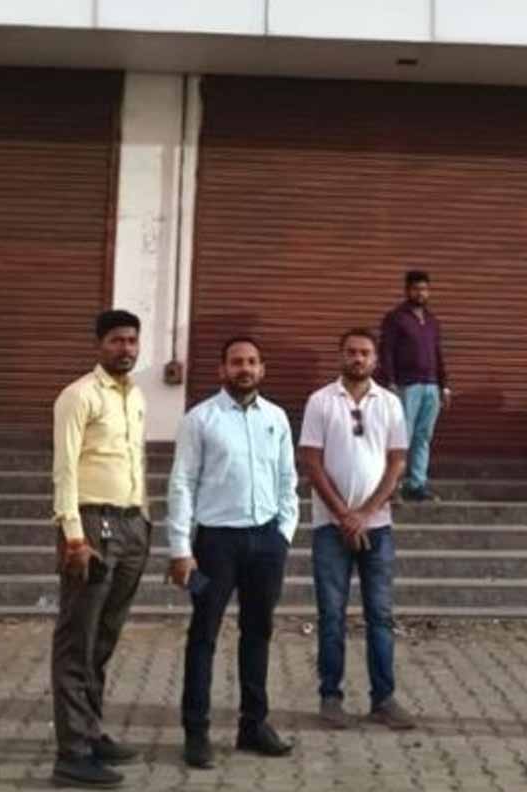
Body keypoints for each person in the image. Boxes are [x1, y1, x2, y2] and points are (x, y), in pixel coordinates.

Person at [165, 337, 298, 769]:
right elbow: (182, 483)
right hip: (215, 545)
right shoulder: (200, 419)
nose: (245, 368)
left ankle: (253, 725)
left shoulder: (276, 418)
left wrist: (284, 533)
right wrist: (180, 548)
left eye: (252, 362)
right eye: (237, 362)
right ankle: (196, 732)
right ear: (222, 370)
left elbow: (287, 479)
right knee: (203, 635)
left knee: (258, 632)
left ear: (262, 369)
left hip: (266, 542)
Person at [50, 309, 150, 788]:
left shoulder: (137, 397)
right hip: (90, 526)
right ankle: (71, 754)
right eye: (116, 340)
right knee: (77, 641)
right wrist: (74, 535)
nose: (125, 348)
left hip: (131, 526)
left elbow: (136, 461)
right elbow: (64, 469)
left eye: (132, 340)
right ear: (99, 345)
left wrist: (145, 518)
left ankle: (91, 731)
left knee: (104, 638)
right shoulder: (79, 395)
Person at [300, 328, 416, 731]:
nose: (358, 358)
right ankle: (330, 698)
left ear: (375, 359)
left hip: (377, 528)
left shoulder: (390, 403)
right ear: (340, 356)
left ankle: (383, 699)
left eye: (365, 352)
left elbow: (397, 462)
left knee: (379, 615)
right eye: (351, 351)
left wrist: (365, 514)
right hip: (329, 528)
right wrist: (343, 515)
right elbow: (312, 462)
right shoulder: (320, 401)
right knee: (331, 615)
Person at [378, 270, 451, 502]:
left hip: (431, 386)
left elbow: (438, 354)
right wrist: (390, 382)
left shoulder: (431, 321)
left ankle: (417, 485)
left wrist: (444, 385)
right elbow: (386, 351)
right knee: (402, 437)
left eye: (425, 289)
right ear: (407, 290)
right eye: (416, 289)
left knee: (423, 436)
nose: (421, 293)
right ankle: (392, 486)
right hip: (406, 385)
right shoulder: (396, 318)